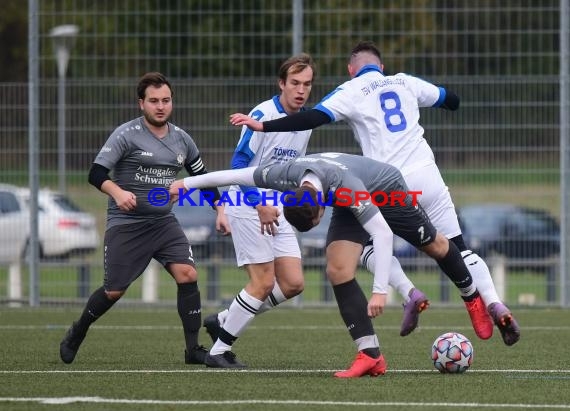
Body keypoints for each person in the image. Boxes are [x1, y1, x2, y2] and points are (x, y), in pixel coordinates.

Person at [228, 41, 520, 346]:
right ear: (381, 67)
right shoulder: (405, 81)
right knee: (455, 247)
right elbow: (451, 99)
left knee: (364, 247)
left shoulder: (351, 90)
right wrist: (451, 100)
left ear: (351, 70)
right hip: (429, 177)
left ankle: (406, 294)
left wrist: (262, 126)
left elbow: (312, 117)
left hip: (387, 184)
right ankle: (488, 301)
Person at [169, 152, 491, 378]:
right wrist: (187, 185)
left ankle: (471, 297)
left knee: (435, 244)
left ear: (319, 212)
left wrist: (380, 292)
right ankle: (370, 356)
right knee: (338, 270)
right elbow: (234, 175)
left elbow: (381, 233)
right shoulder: (285, 175)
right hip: (344, 197)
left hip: (386, 189)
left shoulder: (346, 187)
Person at [59, 72, 230, 365]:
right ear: (141, 103)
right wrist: (117, 192)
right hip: (127, 225)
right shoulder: (126, 134)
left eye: (165, 100)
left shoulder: (182, 140)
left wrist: (221, 210)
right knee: (114, 291)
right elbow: (96, 173)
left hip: (163, 223)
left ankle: (193, 350)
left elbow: (203, 178)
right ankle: (78, 330)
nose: (160, 106)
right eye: (153, 101)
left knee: (188, 274)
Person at [200, 53, 316, 369]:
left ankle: (224, 319)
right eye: (294, 83)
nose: (300, 90)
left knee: (293, 283)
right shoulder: (262, 114)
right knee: (263, 282)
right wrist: (259, 204)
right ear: (282, 83)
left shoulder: (305, 122)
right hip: (247, 202)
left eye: (306, 84)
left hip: (276, 205)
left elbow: (292, 169)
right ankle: (218, 351)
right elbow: (238, 164)